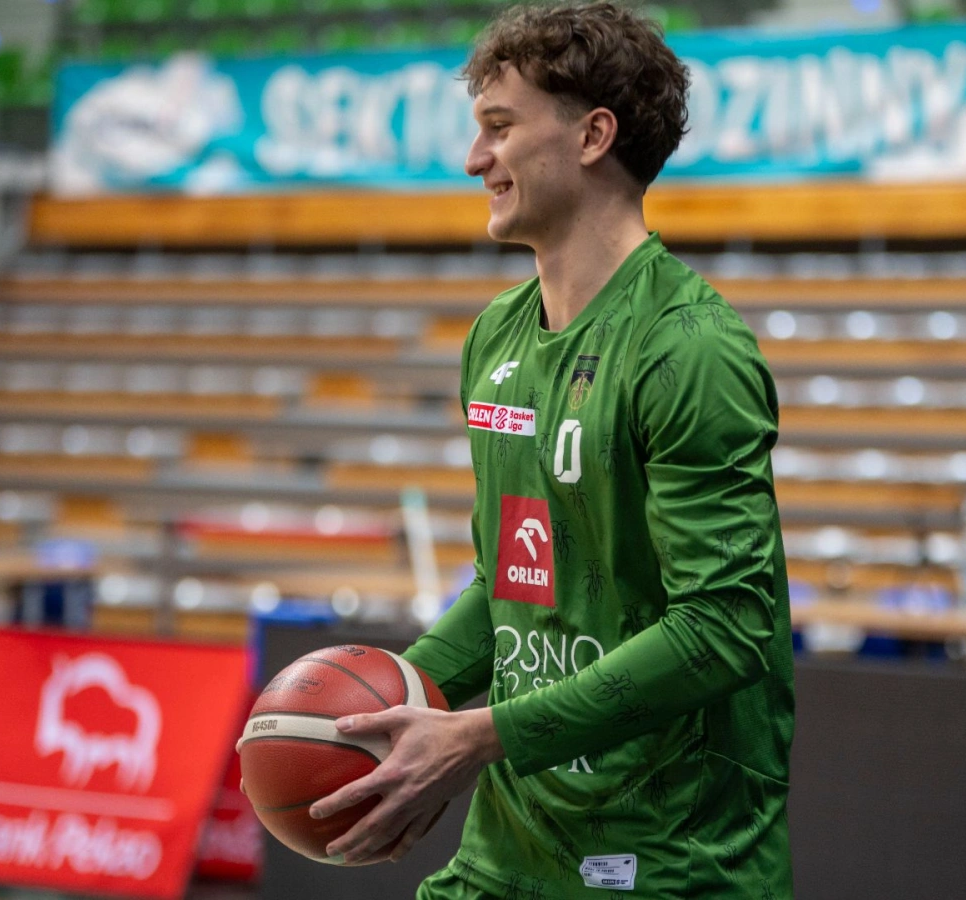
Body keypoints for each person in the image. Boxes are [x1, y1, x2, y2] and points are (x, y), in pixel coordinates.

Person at [306, 4, 796, 897]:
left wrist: (479, 737)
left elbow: (725, 630)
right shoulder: (494, 337)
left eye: (500, 127)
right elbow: (510, 585)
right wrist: (381, 706)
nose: (475, 159)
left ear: (592, 136)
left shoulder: (691, 347)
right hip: (509, 853)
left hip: (668, 862)